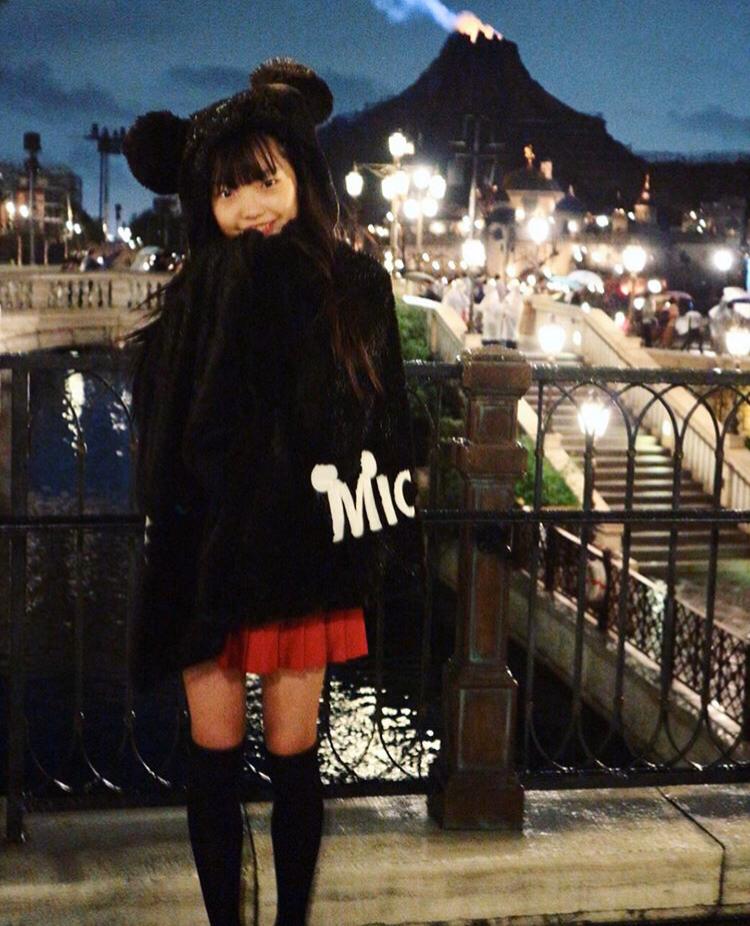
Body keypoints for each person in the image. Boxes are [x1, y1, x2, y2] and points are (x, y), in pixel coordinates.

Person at [122, 57, 426, 926]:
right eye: (228, 191)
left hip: (302, 554)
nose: (250, 205)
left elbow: (383, 423)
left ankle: (291, 919)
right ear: (203, 205)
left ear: (302, 178)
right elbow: (167, 437)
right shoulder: (192, 297)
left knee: (296, 757)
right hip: (204, 554)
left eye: (267, 180)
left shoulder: (352, 287)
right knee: (211, 760)